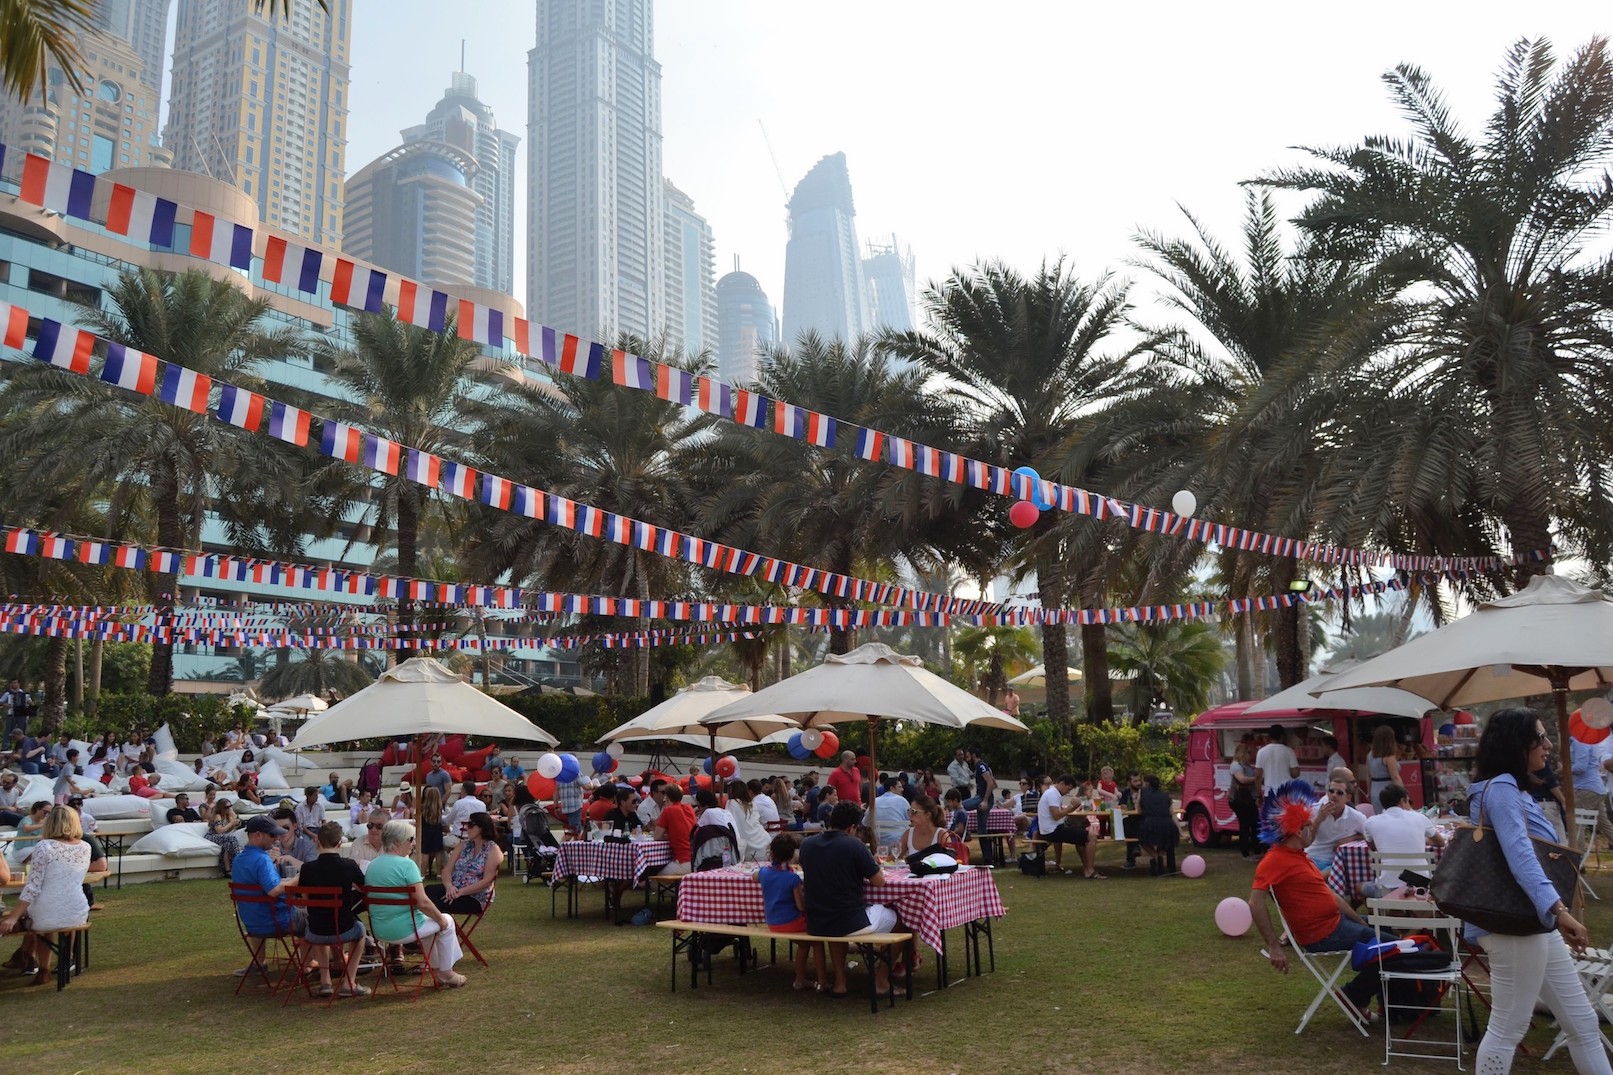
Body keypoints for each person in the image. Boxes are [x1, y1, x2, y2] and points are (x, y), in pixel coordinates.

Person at [1465, 708, 1608, 1074]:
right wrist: (1559, 910)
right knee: (1506, 1029)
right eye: (1540, 738)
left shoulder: (1508, 788)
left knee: (1583, 1024)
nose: (1547, 746)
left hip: (1531, 923)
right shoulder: (1501, 789)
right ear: (1518, 744)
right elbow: (1521, 857)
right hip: (1513, 925)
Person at [1247, 779, 1386, 1024]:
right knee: (1391, 948)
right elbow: (1255, 902)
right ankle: (1354, 997)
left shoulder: (1300, 855)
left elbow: (1328, 894)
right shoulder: (1275, 860)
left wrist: (1358, 919)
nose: (1314, 831)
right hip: (1322, 934)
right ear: (1299, 831)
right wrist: (1274, 945)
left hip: (1335, 922)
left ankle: (1386, 1003)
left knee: (1388, 933)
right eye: (1310, 826)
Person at [798, 801, 901, 998]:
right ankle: (881, 980)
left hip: (817, 921)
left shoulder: (807, 844)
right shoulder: (854, 845)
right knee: (903, 918)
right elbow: (879, 881)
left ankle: (840, 982)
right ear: (852, 827)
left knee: (838, 919)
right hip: (847, 920)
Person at [364, 821, 467, 988]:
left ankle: (438, 966)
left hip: (380, 930)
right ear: (397, 841)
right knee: (446, 921)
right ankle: (446, 973)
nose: (413, 843)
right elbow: (423, 902)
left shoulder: (373, 865)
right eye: (410, 839)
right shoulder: (407, 865)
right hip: (404, 930)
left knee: (433, 923)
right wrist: (440, 920)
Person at [0, 805, 89, 984]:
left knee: (36, 922)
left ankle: (40, 967)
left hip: (47, 911)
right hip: (78, 910)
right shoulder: (85, 846)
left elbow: (33, 887)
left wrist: (13, 917)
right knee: (41, 917)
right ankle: (37, 965)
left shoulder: (44, 846)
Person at [297, 821, 370, 998]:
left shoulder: (307, 869)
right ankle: (349, 982)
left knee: (319, 921)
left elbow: (306, 900)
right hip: (343, 929)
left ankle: (325, 981)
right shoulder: (348, 865)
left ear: (317, 841)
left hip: (316, 931)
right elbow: (364, 887)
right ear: (339, 844)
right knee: (360, 931)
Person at [230, 815, 302, 975]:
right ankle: (314, 963)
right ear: (258, 835)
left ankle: (259, 961)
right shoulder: (262, 859)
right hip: (277, 920)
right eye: (272, 835)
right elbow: (274, 890)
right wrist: (298, 879)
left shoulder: (239, 859)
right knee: (318, 916)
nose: (276, 839)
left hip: (252, 922)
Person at [759, 833, 827, 992]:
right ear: (792, 855)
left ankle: (800, 979)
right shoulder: (792, 879)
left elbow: (756, 875)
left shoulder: (764, 873)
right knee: (816, 940)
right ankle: (821, 981)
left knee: (804, 943)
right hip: (790, 922)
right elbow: (801, 906)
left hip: (773, 923)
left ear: (771, 852)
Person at [1361, 783, 1445, 898]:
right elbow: (1441, 842)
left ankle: (1386, 911)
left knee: (1359, 887)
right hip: (1421, 883)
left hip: (1387, 885)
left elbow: (1373, 847)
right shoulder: (1420, 818)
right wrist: (1422, 839)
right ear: (1402, 801)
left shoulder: (1370, 822)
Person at [427, 811, 502, 916]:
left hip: (475, 897)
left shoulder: (493, 850)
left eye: (470, 825)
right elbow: (447, 870)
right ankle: (443, 929)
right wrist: (449, 887)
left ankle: (444, 928)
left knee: (434, 904)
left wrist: (460, 892)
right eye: (466, 824)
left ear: (482, 828)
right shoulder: (464, 845)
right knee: (426, 893)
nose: (466, 828)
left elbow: (487, 881)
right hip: (454, 889)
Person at [1037, 774, 1103, 878]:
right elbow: (1056, 815)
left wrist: (1071, 808)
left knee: (1080, 839)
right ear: (1062, 784)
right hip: (1052, 831)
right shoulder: (1052, 794)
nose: (1068, 792)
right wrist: (1071, 807)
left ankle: (1087, 869)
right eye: (1068, 789)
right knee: (1092, 836)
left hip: (1051, 829)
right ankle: (1090, 870)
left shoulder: (1052, 793)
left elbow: (1057, 815)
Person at [1307, 771, 1367, 876]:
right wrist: (1318, 820)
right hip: (1313, 857)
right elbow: (1305, 841)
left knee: (1336, 870)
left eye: (1339, 793)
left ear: (1348, 798)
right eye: (1331, 791)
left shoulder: (1356, 817)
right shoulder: (1314, 810)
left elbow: (1370, 837)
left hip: (1336, 863)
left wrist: (1352, 838)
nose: (1334, 795)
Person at [1136, 774, 1180, 876]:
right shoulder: (1165, 795)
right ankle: (1160, 860)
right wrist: (1180, 831)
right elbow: (1172, 813)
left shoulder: (1142, 791)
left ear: (1147, 783)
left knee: (1142, 839)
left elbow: (1138, 810)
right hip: (1168, 825)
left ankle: (1155, 857)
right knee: (1163, 841)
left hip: (1150, 823)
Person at [651, 783, 698, 876]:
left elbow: (656, 836)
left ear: (666, 797)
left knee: (652, 876)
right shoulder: (689, 808)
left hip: (683, 860)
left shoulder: (668, 810)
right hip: (695, 859)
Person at [1227, 742, 1261, 859]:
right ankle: (1245, 853)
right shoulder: (1236, 765)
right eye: (1248, 752)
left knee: (1255, 824)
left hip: (1249, 799)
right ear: (1243, 753)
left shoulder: (1248, 765)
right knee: (1245, 825)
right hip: (1239, 800)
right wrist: (1257, 779)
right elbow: (1242, 779)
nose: (1250, 755)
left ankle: (1257, 851)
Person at [727, 780, 770, 862]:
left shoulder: (731, 803)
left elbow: (727, 823)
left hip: (746, 849)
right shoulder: (752, 804)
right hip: (764, 843)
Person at [1365, 725, 1405, 810]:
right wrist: (1403, 793)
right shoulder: (1388, 757)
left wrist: (1369, 792)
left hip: (1374, 791)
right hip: (1388, 792)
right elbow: (1395, 777)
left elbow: (1369, 776)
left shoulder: (1370, 755)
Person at [866, 774, 910, 853]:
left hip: (878, 844)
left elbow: (866, 823)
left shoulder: (875, 801)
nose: (902, 789)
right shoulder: (902, 801)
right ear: (892, 788)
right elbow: (911, 820)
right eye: (899, 787)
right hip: (899, 845)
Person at [1254, 724, 1300, 797]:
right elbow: (1295, 773)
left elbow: (1258, 776)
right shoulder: (1289, 751)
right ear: (1282, 736)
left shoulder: (1261, 752)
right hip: (1286, 793)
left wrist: (1258, 795)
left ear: (1270, 737)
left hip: (1269, 793)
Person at [205, 798, 242, 874]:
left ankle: (227, 869)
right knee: (232, 838)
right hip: (212, 836)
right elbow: (219, 830)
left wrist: (234, 824)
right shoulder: (218, 816)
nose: (229, 809)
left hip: (222, 836)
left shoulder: (228, 816)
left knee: (228, 845)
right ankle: (238, 862)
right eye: (227, 807)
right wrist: (231, 823)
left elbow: (227, 830)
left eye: (230, 806)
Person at [419, 785, 446, 878]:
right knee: (438, 852)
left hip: (425, 831)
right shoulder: (439, 807)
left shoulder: (422, 808)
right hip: (437, 831)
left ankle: (422, 874)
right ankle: (439, 873)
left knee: (425, 853)